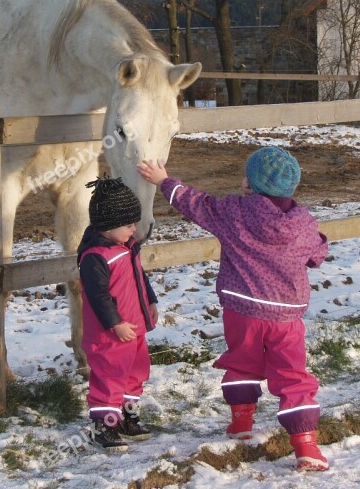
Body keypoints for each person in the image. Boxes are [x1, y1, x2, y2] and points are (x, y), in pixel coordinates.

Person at [136, 146, 330, 472]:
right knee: (293, 376)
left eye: (247, 174)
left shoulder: (234, 212)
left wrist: (164, 181)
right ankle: (306, 445)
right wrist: (318, 239)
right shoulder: (303, 223)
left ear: (249, 184)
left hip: (243, 309)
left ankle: (241, 424)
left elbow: (195, 204)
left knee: (242, 362)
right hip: (286, 314)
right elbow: (317, 254)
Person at [77, 175, 159, 453]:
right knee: (110, 376)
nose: (134, 229)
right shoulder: (95, 257)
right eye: (128, 224)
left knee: (135, 372)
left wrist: (151, 302)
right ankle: (104, 425)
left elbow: (140, 278)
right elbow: (98, 297)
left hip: (135, 327)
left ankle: (126, 416)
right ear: (108, 226)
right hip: (111, 333)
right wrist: (115, 323)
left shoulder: (128, 246)